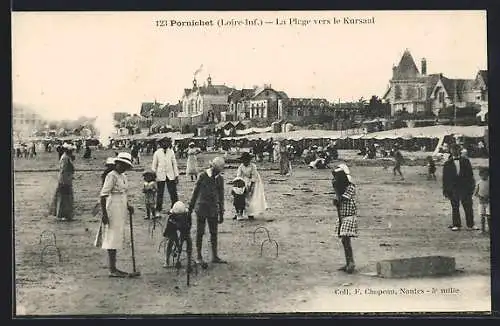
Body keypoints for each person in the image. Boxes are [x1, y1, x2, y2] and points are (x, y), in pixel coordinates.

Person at [97, 152, 135, 278]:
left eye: (125, 166)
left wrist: (128, 205)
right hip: (112, 207)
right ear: (116, 163)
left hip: (121, 208)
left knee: (117, 236)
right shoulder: (111, 176)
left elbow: (124, 192)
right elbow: (103, 195)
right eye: (121, 165)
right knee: (112, 237)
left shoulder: (123, 176)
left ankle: (114, 267)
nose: (122, 167)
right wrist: (104, 214)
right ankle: (112, 269)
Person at [188, 157, 226, 267]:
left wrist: (221, 212)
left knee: (214, 233)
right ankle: (199, 256)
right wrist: (190, 208)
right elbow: (195, 193)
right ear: (212, 167)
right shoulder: (202, 176)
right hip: (201, 208)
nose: (216, 173)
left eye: (218, 171)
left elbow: (221, 196)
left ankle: (215, 256)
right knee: (200, 232)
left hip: (213, 208)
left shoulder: (220, 179)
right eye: (216, 171)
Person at [442, 144, 478, 231]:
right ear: (450, 151)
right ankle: (456, 224)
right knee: (455, 207)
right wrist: (446, 190)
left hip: (465, 187)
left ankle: (471, 224)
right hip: (453, 188)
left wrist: (472, 187)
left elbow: (470, 175)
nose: (455, 151)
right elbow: (445, 178)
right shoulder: (447, 163)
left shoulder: (466, 161)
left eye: (456, 149)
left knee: (468, 206)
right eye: (453, 149)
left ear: (459, 150)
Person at [331, 164, 358, 274]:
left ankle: (351, 263)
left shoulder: (350, 186)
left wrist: (337, 196)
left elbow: (342, 199)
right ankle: (348, 262)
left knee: (346, 240)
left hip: (349, 216)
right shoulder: (340, 187)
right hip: (342, 216)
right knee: (344, 240)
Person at [152, 137, 179, 215]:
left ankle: (174, 208)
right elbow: (154, 165)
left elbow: (174, 164)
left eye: (167, 142)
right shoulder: (157, 153)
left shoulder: (171, 152)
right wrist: (153, 175)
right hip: (160, 175)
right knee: (160, 193)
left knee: (173, 192)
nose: (165, 144)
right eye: (163, 143)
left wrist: (176, 175)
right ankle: (158, 209)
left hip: (170, 175)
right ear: (160, 144)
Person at [236, 152, 268, 220]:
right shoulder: (241, 166)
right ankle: (240, 213)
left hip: (255, 181)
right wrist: (240, 184)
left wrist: (251, 187)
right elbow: (238, 176)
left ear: (249, 160)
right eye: (244, 160)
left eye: (246, 160)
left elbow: (254, 177)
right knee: (243, 197)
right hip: (245, 180)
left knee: (252, 197)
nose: (245, 162)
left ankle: (251, 213)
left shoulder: (253, 166)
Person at [163, 201, 193, 269]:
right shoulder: (171, 218)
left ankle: (189, 262)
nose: (179, 217)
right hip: (173, 228)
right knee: (170, 241)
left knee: (188, 240)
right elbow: (172, 233)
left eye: (181, 216)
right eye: (178, 216)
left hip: (184, 228)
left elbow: (186, 231)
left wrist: (182, 240)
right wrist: (178, 245)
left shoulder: (187, 216)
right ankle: (167, 260)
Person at [50, 143, 76, 221]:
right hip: (64, 181)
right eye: (71, 150)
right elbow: (63, 170)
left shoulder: (66, 157)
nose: (72, 152)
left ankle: (65, 214)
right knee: (64, 198)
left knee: (65, 198)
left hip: (66, 180)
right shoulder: (65, 158)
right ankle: (63, 214)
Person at [474, 167, 490, 234]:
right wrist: (480, 196)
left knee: (489, 216)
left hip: (489, 202)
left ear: (488, 175)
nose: (484, 176)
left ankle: (489, 229)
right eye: (482, 175)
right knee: (482, 216)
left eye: (486, 174)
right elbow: (475, 193)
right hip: (481, 202)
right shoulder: (479, 183)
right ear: (480, 175)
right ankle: (483, 230)